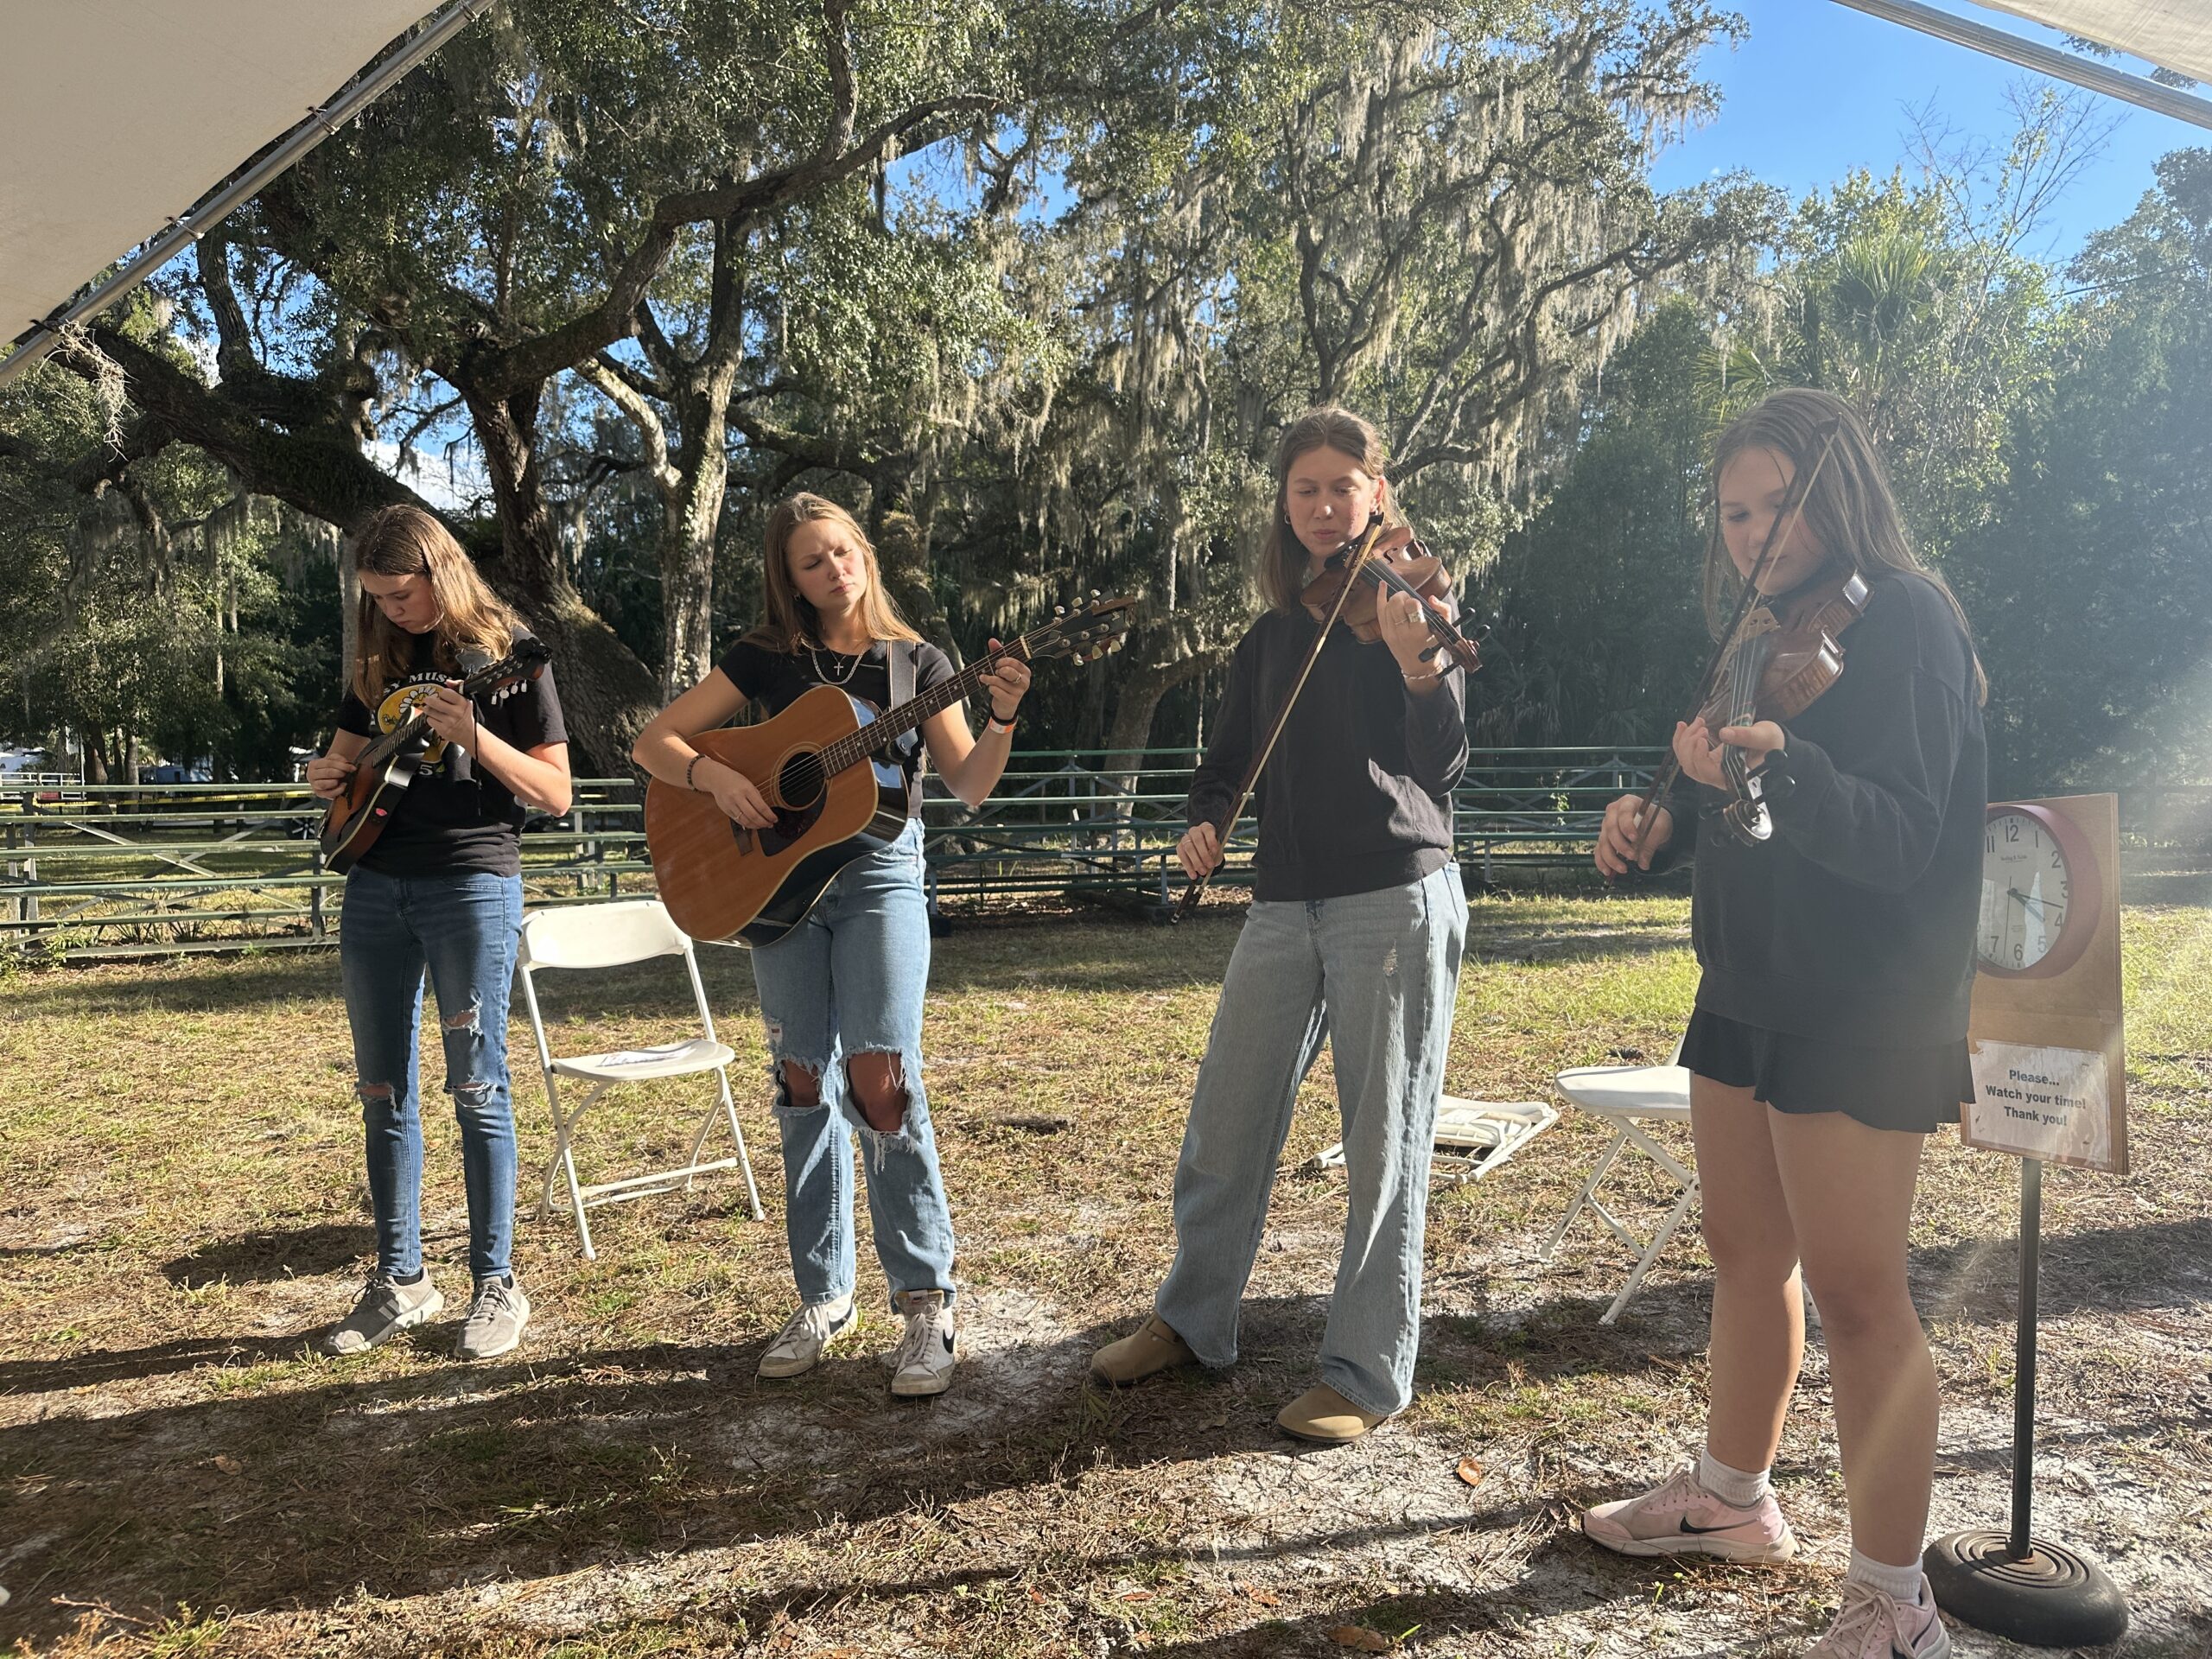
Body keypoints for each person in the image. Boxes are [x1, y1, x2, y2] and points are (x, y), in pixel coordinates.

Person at [1584, 387, 1987, 1659]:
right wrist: (1668, 815)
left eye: (1777, 504)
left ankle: (1893, 1597)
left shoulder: (1908, 621)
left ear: (1837, 489)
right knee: (1746, 1254)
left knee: (1865, 1293)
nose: (1756, 532)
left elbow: (1903, 833)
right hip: (1751, 987)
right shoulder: (1760, 635)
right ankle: (1732, 1498)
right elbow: (1756, 824)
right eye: (1736, 512)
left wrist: (1781, 763)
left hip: (1862, 999)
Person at [1089, 406, 1471, 1445]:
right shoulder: (1269, 637)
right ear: (1283, 503)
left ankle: (1363, 1372)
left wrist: (1415, 664)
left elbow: (1440, 767)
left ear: (1376, 495)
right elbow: (1223, 764)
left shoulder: (1407, 608)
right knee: (1228, 1116)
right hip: (1280, 901)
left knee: (1381, 1139)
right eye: (1304, 488)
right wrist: (1205, 822)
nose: (1322, 506)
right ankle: (1191, 1317)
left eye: (1343, 486)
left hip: (1389, 896)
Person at [632, 493, 1029, 1399]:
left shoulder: (915, 664)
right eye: (813, 561)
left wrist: (1001, 716)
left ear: (866, 556)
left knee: (880, 1074)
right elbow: (654, 740)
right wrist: (716, 777)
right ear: (792, 579)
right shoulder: (763, 658)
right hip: (778, 890)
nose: (834, 569)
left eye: (844, 551)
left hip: (882, 876)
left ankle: (926, 1299)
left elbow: (967, 781)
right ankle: (821, 1296)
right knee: (800, 1076)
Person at [307, 505, 573, 1362]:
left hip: (471, 884)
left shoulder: (510, 656)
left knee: (479, 1088)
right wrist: (328, 772)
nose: (394, 610)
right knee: (382, 1090)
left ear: (440, 571)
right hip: (375, 887)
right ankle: (400, 1280)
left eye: (404, 593)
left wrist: (477, 739)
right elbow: (346, 758)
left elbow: (556, 794)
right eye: (378, 598)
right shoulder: (378, 656)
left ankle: (497, 1283)